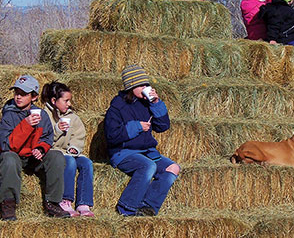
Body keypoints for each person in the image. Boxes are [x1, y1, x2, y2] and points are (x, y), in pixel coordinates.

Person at [104, 64, 180, 217]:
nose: (146, 87)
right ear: (131, 86)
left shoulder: (147, 103)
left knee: (173, 168)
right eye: (141, 85)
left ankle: (148, 206)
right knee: (148, 166)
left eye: (147, 84)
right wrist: (136, 127)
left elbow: (163, 126)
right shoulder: (117, 107)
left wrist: (157, 104)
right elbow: (112, 136)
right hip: (123, 152)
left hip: (147, 152)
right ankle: (127, 207)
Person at [0, 75, 69, 221]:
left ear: (34, 97)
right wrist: (25, 125)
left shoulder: (42, 115)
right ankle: (8, 204)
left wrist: (41, 149)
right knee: (9, 159)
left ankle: (53, 203)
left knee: (56, 156)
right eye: (16, 92)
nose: (18, 97)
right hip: (16, 155)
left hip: (33, 157)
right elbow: (6, 145)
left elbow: (47, 137)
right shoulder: (8, 114)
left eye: (23, 94)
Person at [41, 81, 94, 218]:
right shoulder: (44, 115)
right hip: (53, 152)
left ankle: (84, 203)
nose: (69, 104)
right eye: (66, 100)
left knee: (87, 163)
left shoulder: (73, 117)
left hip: (68, 151)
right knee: (69, 162)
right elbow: (43, 138)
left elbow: (79, 135)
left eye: (69, 100)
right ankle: (65, 200)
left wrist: (75, 148)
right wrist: (57, 130)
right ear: (54, 100)